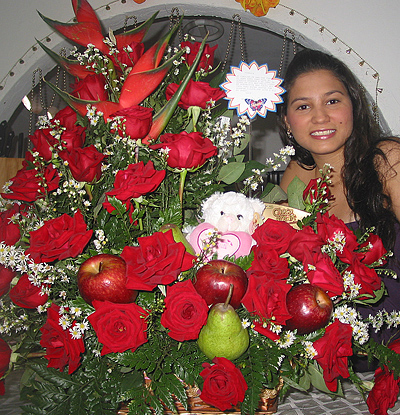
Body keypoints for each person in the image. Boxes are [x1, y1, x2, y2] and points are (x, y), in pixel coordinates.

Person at [277, 48, 400, 350]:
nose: (320, 117)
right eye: (303, 106)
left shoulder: (386, 160)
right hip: (333, 355)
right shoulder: (295, 177)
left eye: (332, 101)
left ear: (354, 106)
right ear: (287, 122)